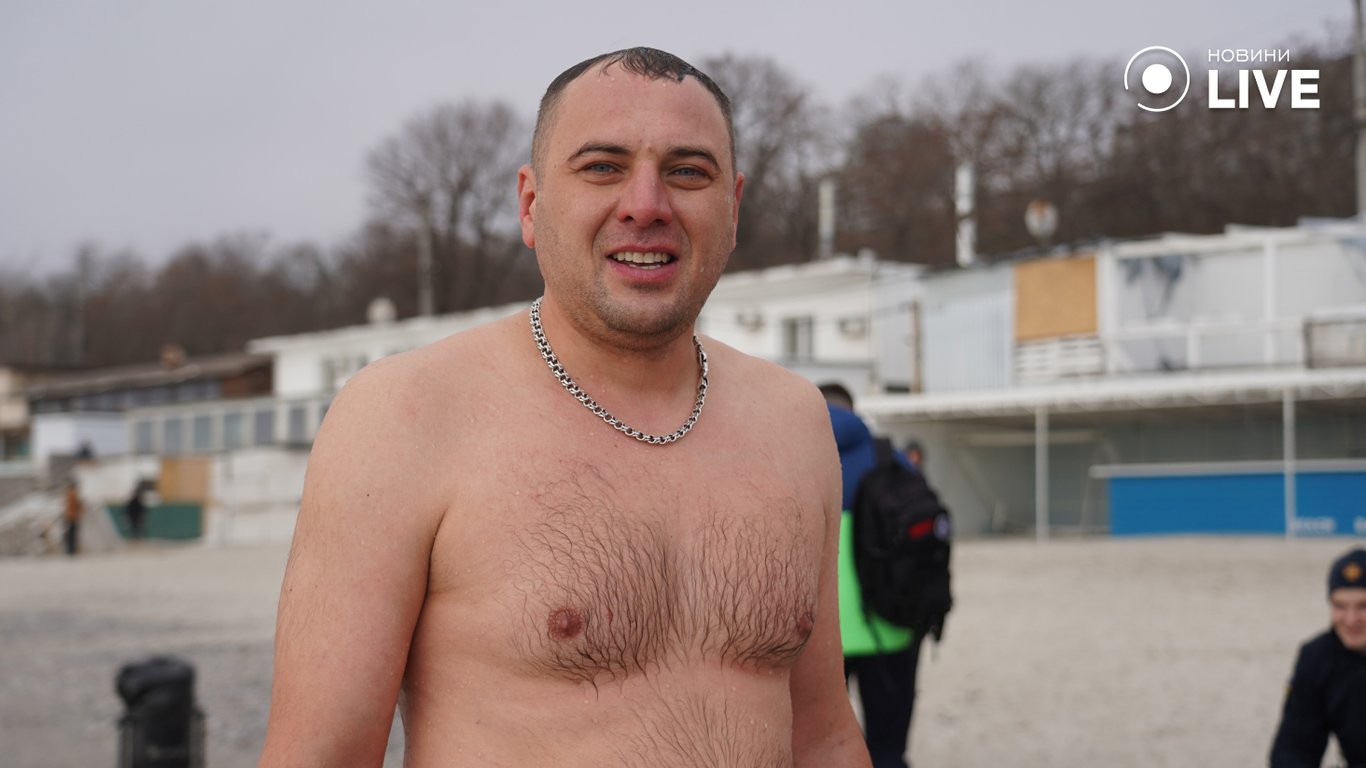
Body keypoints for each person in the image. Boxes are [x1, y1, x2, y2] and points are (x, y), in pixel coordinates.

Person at [260, 48, 869, 768]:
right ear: (531, 204)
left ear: (733, 209)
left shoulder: (793, 420)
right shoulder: (406, 415)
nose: (646, 204)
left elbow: (823, 736)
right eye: (603, 167)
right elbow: (320, 755)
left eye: (687, 172)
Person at [820, 383, 923, 768]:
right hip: (890, 626)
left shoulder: (794, 460)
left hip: (819, 638)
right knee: (887, 748)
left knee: (822, 748)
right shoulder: (891, 459)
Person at [1270, 547, 1366, 767]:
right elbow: (1294, 748)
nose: (1351, 619)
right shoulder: (1317, 658)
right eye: (1340, 606)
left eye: (1363, 606)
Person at [61, 479, 82, 556]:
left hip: (69, 517)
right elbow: (77, 505)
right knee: (72, 535)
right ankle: (71, 550)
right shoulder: (73, 494)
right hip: (72, 517)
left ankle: (70, 550)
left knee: (69, 534)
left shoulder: (67, 494)